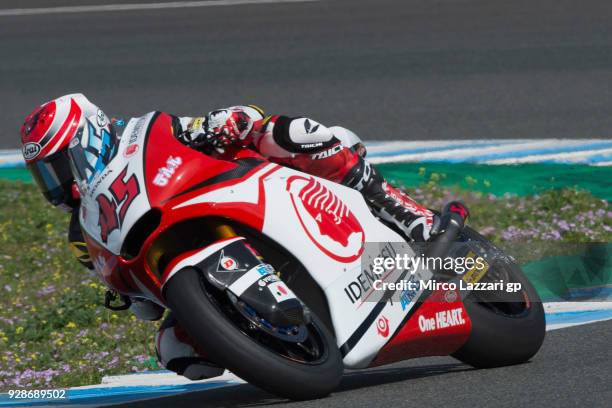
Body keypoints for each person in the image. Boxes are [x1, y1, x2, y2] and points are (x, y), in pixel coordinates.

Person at [20, 93, 438, 380]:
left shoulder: (141, 131)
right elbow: (142, 308)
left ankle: (401, 209)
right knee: (178, 353)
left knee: (288, 133)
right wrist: (129, 293)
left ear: (87, 136)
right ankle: (274, 349)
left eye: (60, 164)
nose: (59, 183)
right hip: (186, 268)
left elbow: (226, 119)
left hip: (234, 189)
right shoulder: (85, 232)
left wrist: (228, 121)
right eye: (47, 175)